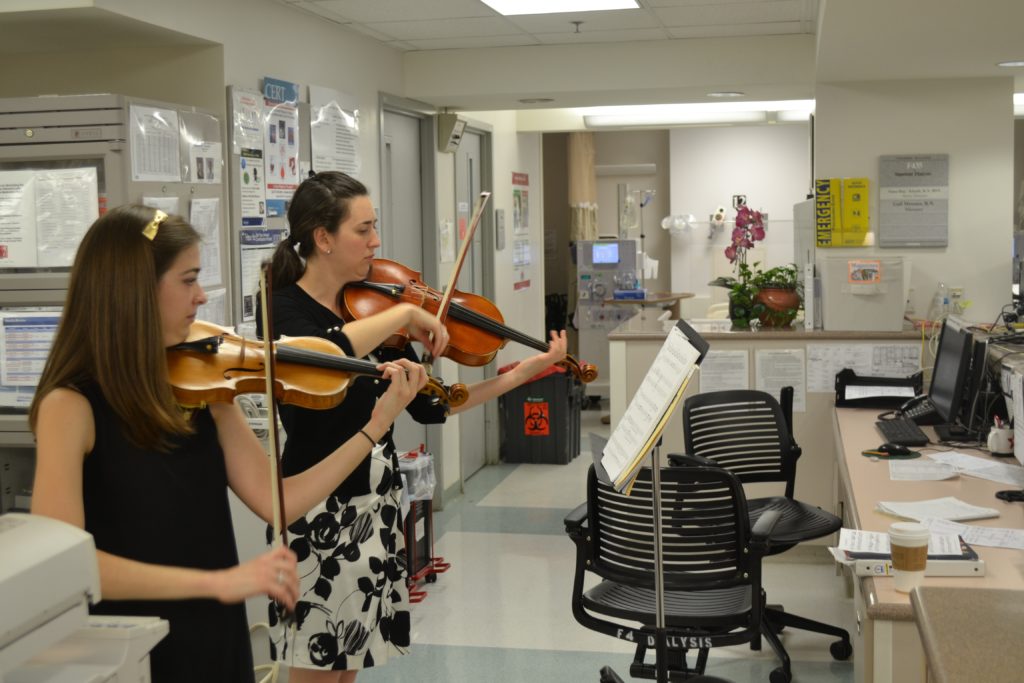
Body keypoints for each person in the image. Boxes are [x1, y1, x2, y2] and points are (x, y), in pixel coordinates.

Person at [29, 205, 430, 683]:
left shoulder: (203, 390)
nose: (201, 297)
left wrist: (374, 425)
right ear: (132, 290)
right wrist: (220, 582)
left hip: (213, 633)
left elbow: (280, 503)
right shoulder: (70, 406)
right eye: (188, 280)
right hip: (130, 644)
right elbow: (66, 564)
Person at [262, 170, 567, 682]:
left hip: (376, 507)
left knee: (349, 668)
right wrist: (404, 311)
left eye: (374, 227)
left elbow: (436, 406)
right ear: (322, 238)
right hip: (319, 512)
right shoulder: (285, 308)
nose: (375, 242)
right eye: (363, 229)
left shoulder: (363, 310)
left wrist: (525, 372)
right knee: (315, 672)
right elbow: (324, 359)